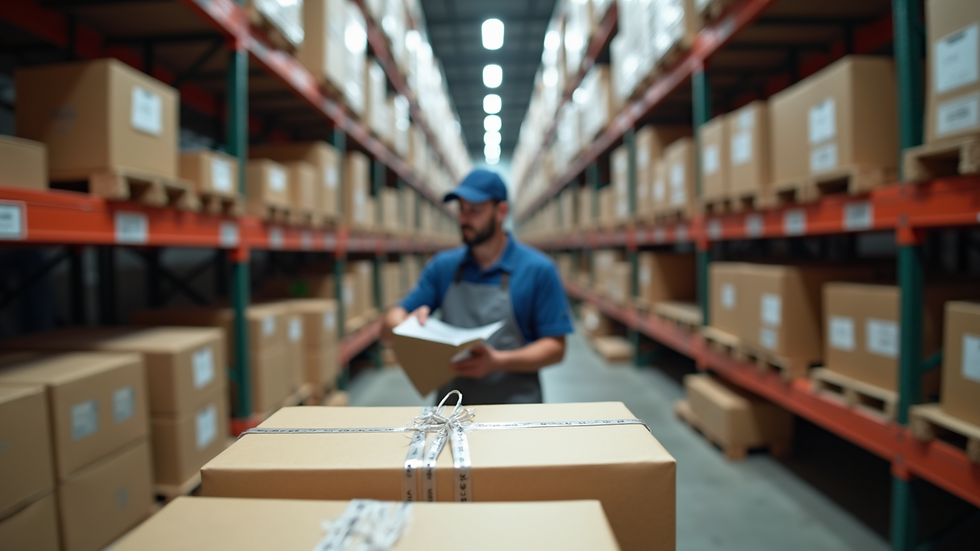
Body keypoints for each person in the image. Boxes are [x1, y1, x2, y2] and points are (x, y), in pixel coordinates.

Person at [381, 169, 573, 405]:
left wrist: (498, 362)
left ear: (501, 211)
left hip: (516, 408)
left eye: (474, 211)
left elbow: (556, 347)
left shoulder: (538, 270)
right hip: (452, 411)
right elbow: (390, 321)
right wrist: (408, 328)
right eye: (461, 210)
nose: (463, 219)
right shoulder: (444, 266)